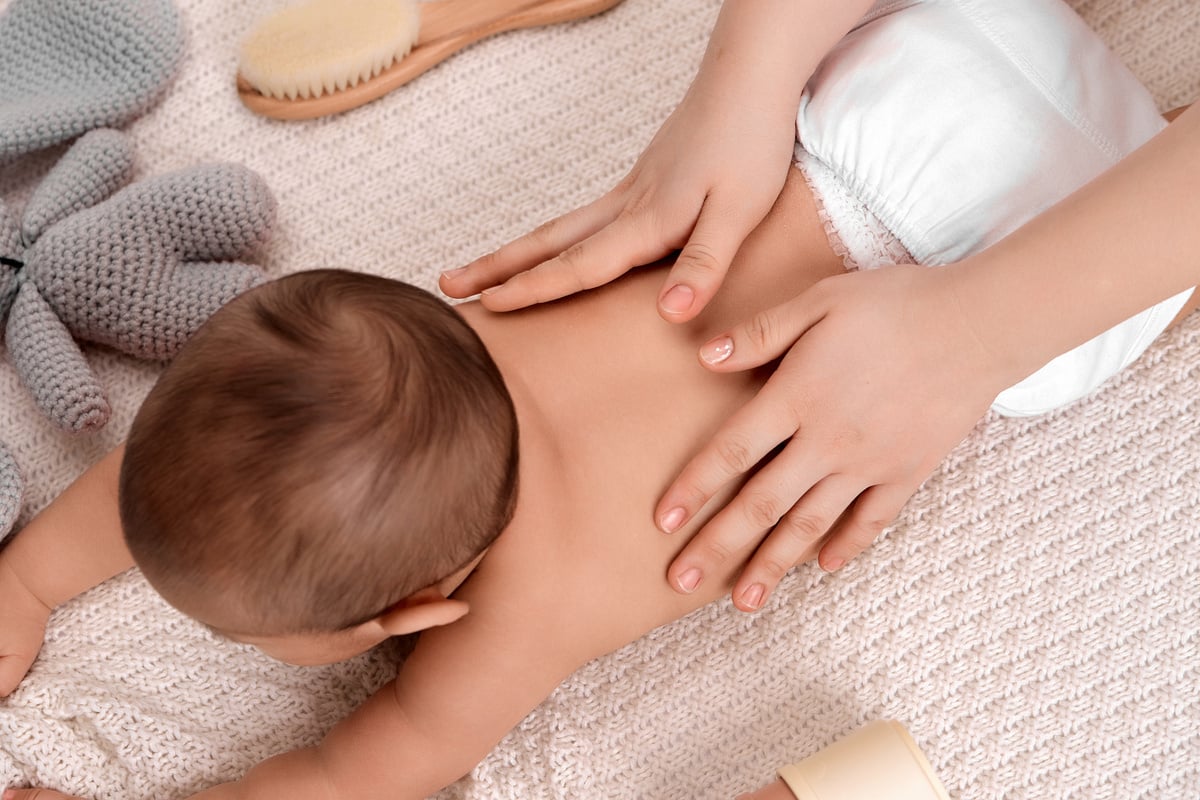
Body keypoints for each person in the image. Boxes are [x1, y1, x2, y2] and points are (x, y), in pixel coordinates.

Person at [3, 2, 1195, 800]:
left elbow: (348, 774)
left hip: (1022, 251)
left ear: (412, 613)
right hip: (916, 78)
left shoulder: (518, 614)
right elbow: (210, 448)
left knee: (1062, 368)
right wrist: (29, 575)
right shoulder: (445, 328)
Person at [442, 0, 1200, 614]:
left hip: (1029, 245)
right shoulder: (433, 345)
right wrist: (743, 86)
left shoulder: (526, 605)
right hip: (904, 98)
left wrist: (970, 337)